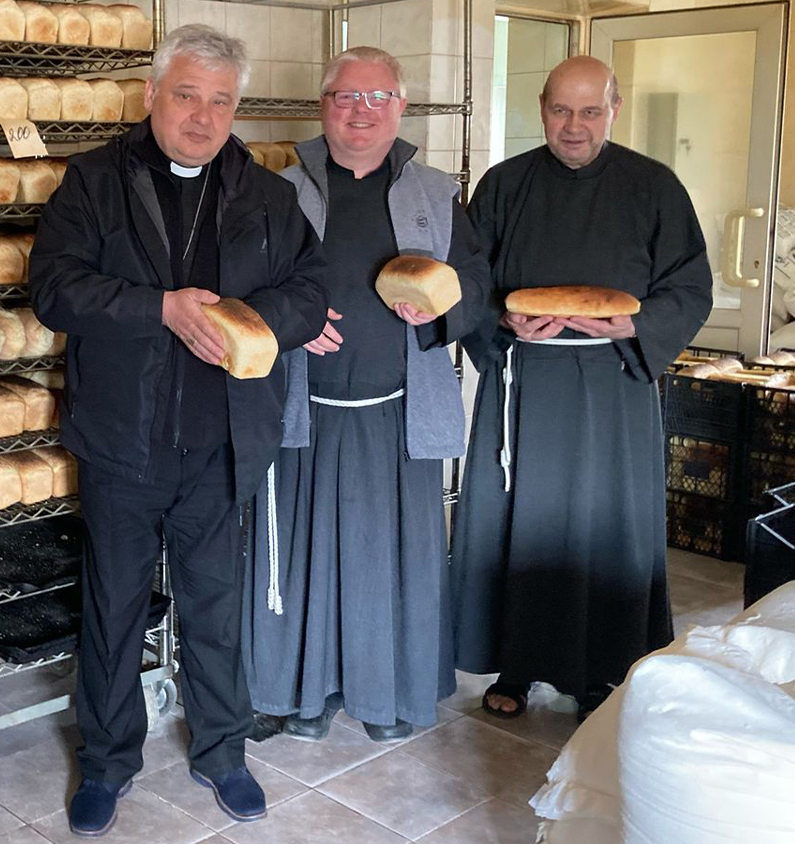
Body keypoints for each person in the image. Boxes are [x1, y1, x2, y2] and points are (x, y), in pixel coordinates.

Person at [29, 24, 327, 836]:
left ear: (237, 107)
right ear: (153, 94)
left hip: (223, 441)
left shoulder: (269, 195)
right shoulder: (93, 182)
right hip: (123, 442)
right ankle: (107, 762)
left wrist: (248, 318)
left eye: (221, 101)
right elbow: (54, 289)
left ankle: (224, 753)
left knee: (212, 608)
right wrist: (157, 308)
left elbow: (311, 291)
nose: (202, 116)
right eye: (187, 95)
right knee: (113, 608)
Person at [451, 56, 712, 720]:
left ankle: (602, 666)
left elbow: (690, 287)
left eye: (590, 111)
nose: (574, 126)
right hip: (525, 378)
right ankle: (517, 663)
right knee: (521, 524)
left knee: (601, 528)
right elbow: (468, 280)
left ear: (614, 110)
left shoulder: (655, 187)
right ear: (541, 109)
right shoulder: (505, 184)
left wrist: (638, 322)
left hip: (613, 380)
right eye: (561, 110)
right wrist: (501, 319)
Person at [242, 47, 491, 744]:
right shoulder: (278, 191)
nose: (360, 111)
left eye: (377, 97)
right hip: (303, 414)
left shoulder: (439, 193)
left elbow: (475, 284)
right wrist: (291, 323)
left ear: (400, 107)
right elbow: (243, 285)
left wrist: (438, 315)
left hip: (398, 416)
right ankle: (301, 694)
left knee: (393, 564)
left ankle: (389, 695)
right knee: (301, 559)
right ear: (322, 106)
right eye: (345, 97)